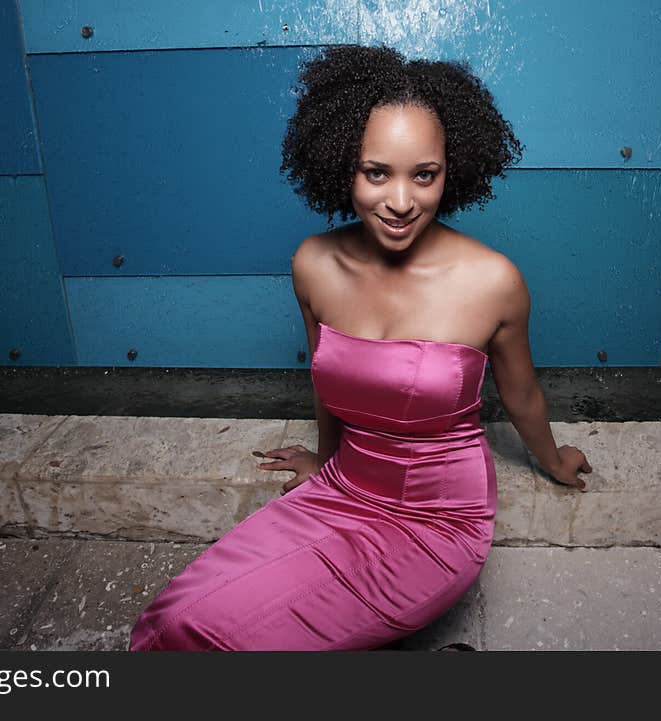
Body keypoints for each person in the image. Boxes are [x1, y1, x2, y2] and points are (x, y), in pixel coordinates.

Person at [129, 44, 592, 651]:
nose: (401, 202)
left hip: (437, 524)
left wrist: (555, 460)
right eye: (377, 172)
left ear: (453, 170)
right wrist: (324, 464)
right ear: (340, 164)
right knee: (170, 625)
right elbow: (327, 383)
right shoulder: (314, 265)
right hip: (344, 489)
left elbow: (522, 394)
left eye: (424, 175)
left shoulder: (492, 281)